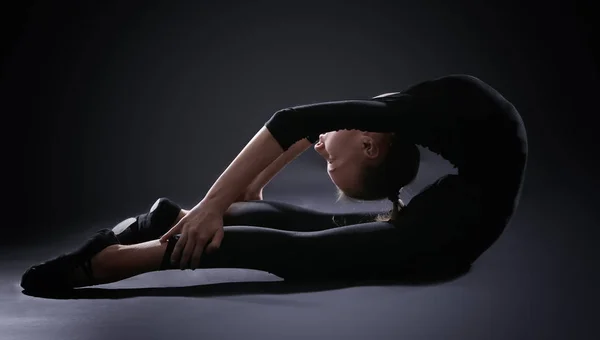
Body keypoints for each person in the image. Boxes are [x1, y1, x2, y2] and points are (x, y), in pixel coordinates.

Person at [20, 74, 528, 292]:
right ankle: (176, 223)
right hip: (467, 206)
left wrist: (217, 205)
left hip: (458, 231)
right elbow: (299, 124)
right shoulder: (398, 115)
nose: (322, 150)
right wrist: (224, 200)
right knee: (320, 230)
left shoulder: (402, 116)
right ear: (371, 145)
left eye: (328, 161)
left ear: (371, 145)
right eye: (329, 157)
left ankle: (120, 257)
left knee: (313, 252)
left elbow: (302, 126)